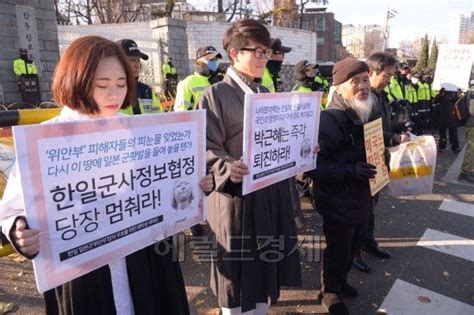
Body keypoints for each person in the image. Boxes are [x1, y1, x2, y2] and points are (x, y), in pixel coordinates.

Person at [0, 35, 215, 314]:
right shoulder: (47, 141)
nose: (114, 94)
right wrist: (19, 231)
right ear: (75, 81)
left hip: (145, 260)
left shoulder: (140, 130)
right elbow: (10, 212)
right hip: (83, 273)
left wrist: (198, 184)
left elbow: (166, 184)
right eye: (102, 85)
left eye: (121, 84)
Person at [198, 19, 303, 315]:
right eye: (255, 51)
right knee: (238, 274)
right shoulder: (215, 95)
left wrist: (301, 148)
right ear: (234, 53)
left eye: (265, 52)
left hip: (268, 195)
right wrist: (227, 166)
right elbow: (206, 146)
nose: (262, 58)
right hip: (237, 201)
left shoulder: (266, 94)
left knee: (264, 268)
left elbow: (281, 138)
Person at [308, 58, 381, 315]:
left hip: (363, 194)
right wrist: (349, 171)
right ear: (339, 88)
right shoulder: (328, 120)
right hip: (337, 197)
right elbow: (311, 166)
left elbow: (373, 147)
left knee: (354, 244)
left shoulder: (368, 109)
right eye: (355, 82)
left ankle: (341, 282)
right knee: (338, 248)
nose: (363, 86)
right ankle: (329, 292)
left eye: (365, 79)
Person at [351, 52, 410, 274]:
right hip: (363, 162)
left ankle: (368, 242)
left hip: (378, 159)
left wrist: (400, 129)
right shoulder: (363, 98)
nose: (389, 80)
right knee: (361, 209)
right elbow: (368, 132)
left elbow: (383, 127)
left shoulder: (381, 96)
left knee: (372, 207)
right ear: (371, 72)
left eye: (391, 76)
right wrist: (394, 138)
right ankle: (354, 252)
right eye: (386, 75)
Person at [116, 39, 161, 115]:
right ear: (118, 62)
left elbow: (158, 120)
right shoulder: (110, 91)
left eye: (138, 60)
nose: (137, 65)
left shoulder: (147, 91)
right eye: (132, 60)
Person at [174, 46, 223, 111]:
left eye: (216, 59)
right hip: (199, 120)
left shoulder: (220, 80)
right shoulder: (188, 83)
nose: (214, 62)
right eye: (210, 59)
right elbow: (181, 113)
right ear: (198, 63)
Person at [432, 88, 461, 153]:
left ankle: (455, 147)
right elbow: (435, 100)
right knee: (442, 133)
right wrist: (440, 94)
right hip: (441, 116)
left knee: (453, 133)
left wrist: (457, 96)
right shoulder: (441, 92)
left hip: (451, 115)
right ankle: (442, 147)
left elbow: (457, 101)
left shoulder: (454, 92)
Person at [458, 81, 474, 184]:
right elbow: (472, 110)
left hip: (470, 124)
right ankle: (465, 173)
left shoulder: (470, 92)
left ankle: (469, 170)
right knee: (471, 149)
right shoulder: (473, 93)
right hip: (472, 124)